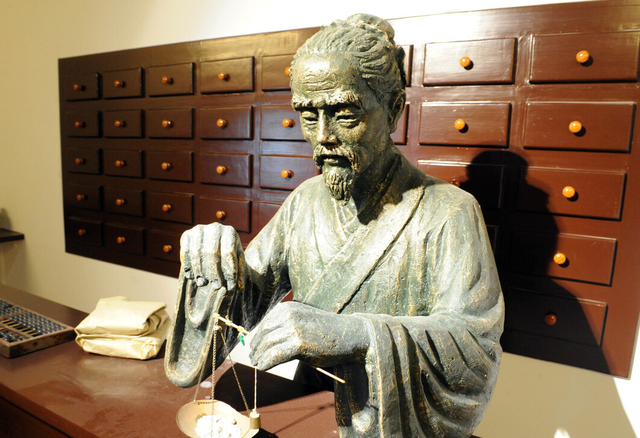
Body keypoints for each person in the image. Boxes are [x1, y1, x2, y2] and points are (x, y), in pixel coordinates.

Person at [165, 14, 504, 438]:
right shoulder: (306, 200)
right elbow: (245, 304)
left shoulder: (449, 212)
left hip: (385, 421)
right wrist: (214, 263)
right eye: (309, 116)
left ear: (394, 109)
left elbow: (474, 349)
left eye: (344, 114)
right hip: (310, 407)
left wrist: (355, 334)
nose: (323, 136)